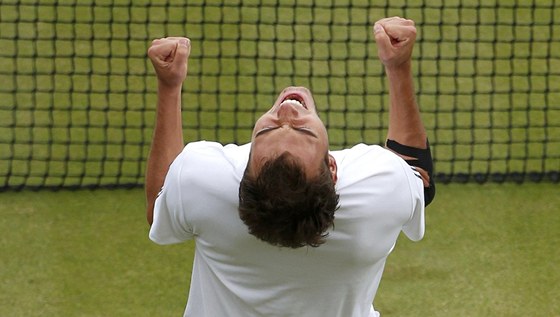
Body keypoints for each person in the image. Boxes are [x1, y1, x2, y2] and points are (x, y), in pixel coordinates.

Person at [145, 16, 435, 317]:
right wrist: (398, 67)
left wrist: (169, 86)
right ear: (332, 168)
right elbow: (418, 177)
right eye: (304, 132)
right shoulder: (378, 191)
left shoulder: (201, 180)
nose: (286, 111)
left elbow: (159, 206)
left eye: (267, 132)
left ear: (242, 171)